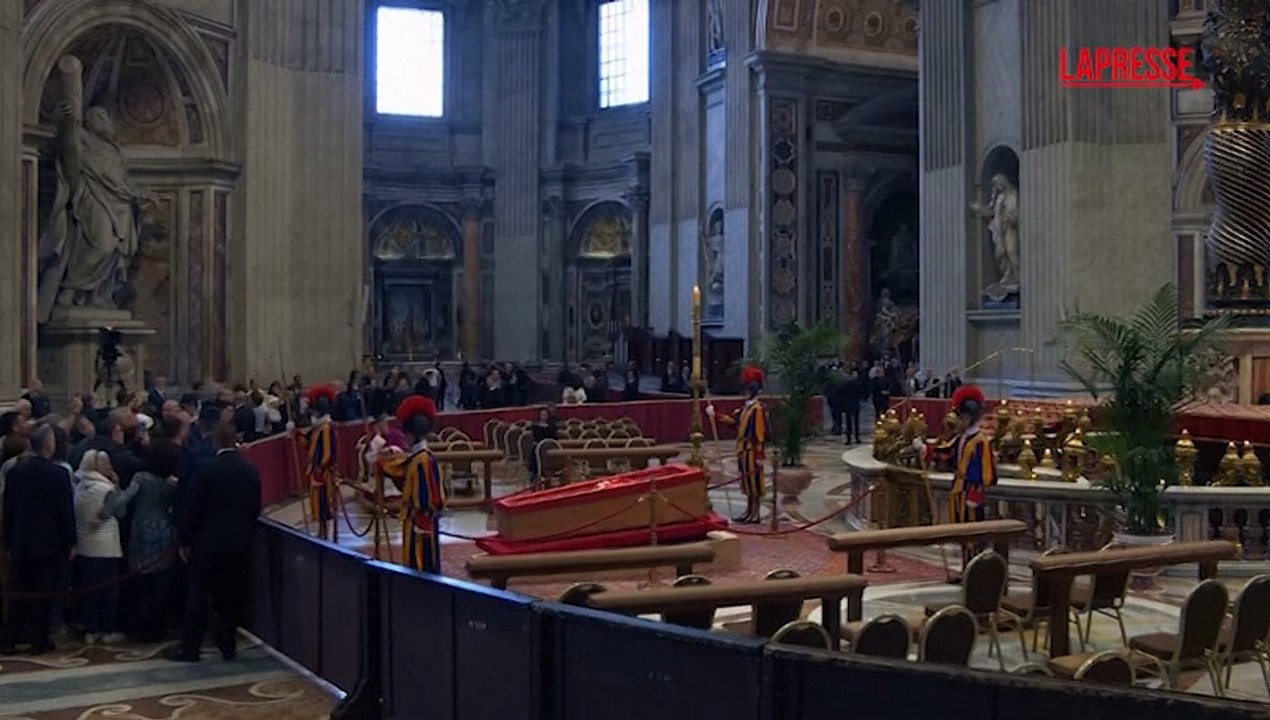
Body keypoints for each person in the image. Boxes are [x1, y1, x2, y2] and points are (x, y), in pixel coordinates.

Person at [170, 423, 261, 662]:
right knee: (231, 597)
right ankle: (227, 645)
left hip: (206, 544)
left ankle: (191, 649)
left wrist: (185, 540)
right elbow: (255, 508)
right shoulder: (250, 470)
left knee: (198, 596)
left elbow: (192, 509)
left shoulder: (205, 470)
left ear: (215, 442)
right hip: (238, 544)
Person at [1, 425, 76, 654]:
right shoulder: (58, 473)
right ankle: (38, 640)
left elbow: (9, 510)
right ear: (48, 444)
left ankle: (9, 640)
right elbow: (66, 511)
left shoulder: (15, 472)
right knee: (43, 595)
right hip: (49, 543)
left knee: (19, 594)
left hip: (21, 542)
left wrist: (9, 541)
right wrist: (71, 541)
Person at [73, 449, 139, 645]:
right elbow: (119, 512)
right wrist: (126, 489)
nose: (110, 467)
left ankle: (91, 629)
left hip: (85, 546)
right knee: (108, 592)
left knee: (90, 592)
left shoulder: (80, 485)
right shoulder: (104, 489)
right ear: (97, 466)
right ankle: (108, 629)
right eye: (106, 463)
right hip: (105, 547)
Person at [379, 397, 445, 573]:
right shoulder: (421, 457)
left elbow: (427, 498)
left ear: (412, 434)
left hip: (420, 525)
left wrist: (421, 524)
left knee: (421, 566)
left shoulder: (422, 459)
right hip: (417, 521)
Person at [127, 439, 181, 642]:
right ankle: (157, 626)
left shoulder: (140, 478)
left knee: (142, 582)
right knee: (161, 583)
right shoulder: (171, 484)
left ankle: (143, 625)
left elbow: (125, 500)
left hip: (141, 531)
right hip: (163, 533)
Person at [708, 365, 768, 524]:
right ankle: (749, 510)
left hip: (752, 450)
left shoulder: (757, 409)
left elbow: (760, 433)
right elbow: (734, 422)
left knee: (754, 483)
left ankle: (755, 512)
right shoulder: (745, 408)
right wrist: (715, 415)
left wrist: (759, 454)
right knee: (746, 482)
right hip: (743, 449)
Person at [947, 385, 995, 565]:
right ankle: (965, 567)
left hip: (971, 494)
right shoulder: (962, 437)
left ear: (968, 418)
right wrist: (924, 449)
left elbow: (985, 472)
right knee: (962, 534)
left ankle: (975, 569)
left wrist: (975, 494)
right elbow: (947, 453)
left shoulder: (980, 441)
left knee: (973, 535)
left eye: (961, 418)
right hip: (959, 490)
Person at [297, 385, 339, 540]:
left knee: (324, 503)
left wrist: (320, 467)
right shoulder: (318, 428)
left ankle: (324, 531)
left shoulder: (327, 428)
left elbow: (328, 452)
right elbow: (308, 444)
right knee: (318, 503)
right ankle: (321, 530)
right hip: (317, 469)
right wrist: (295, 433)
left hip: (323, 471)